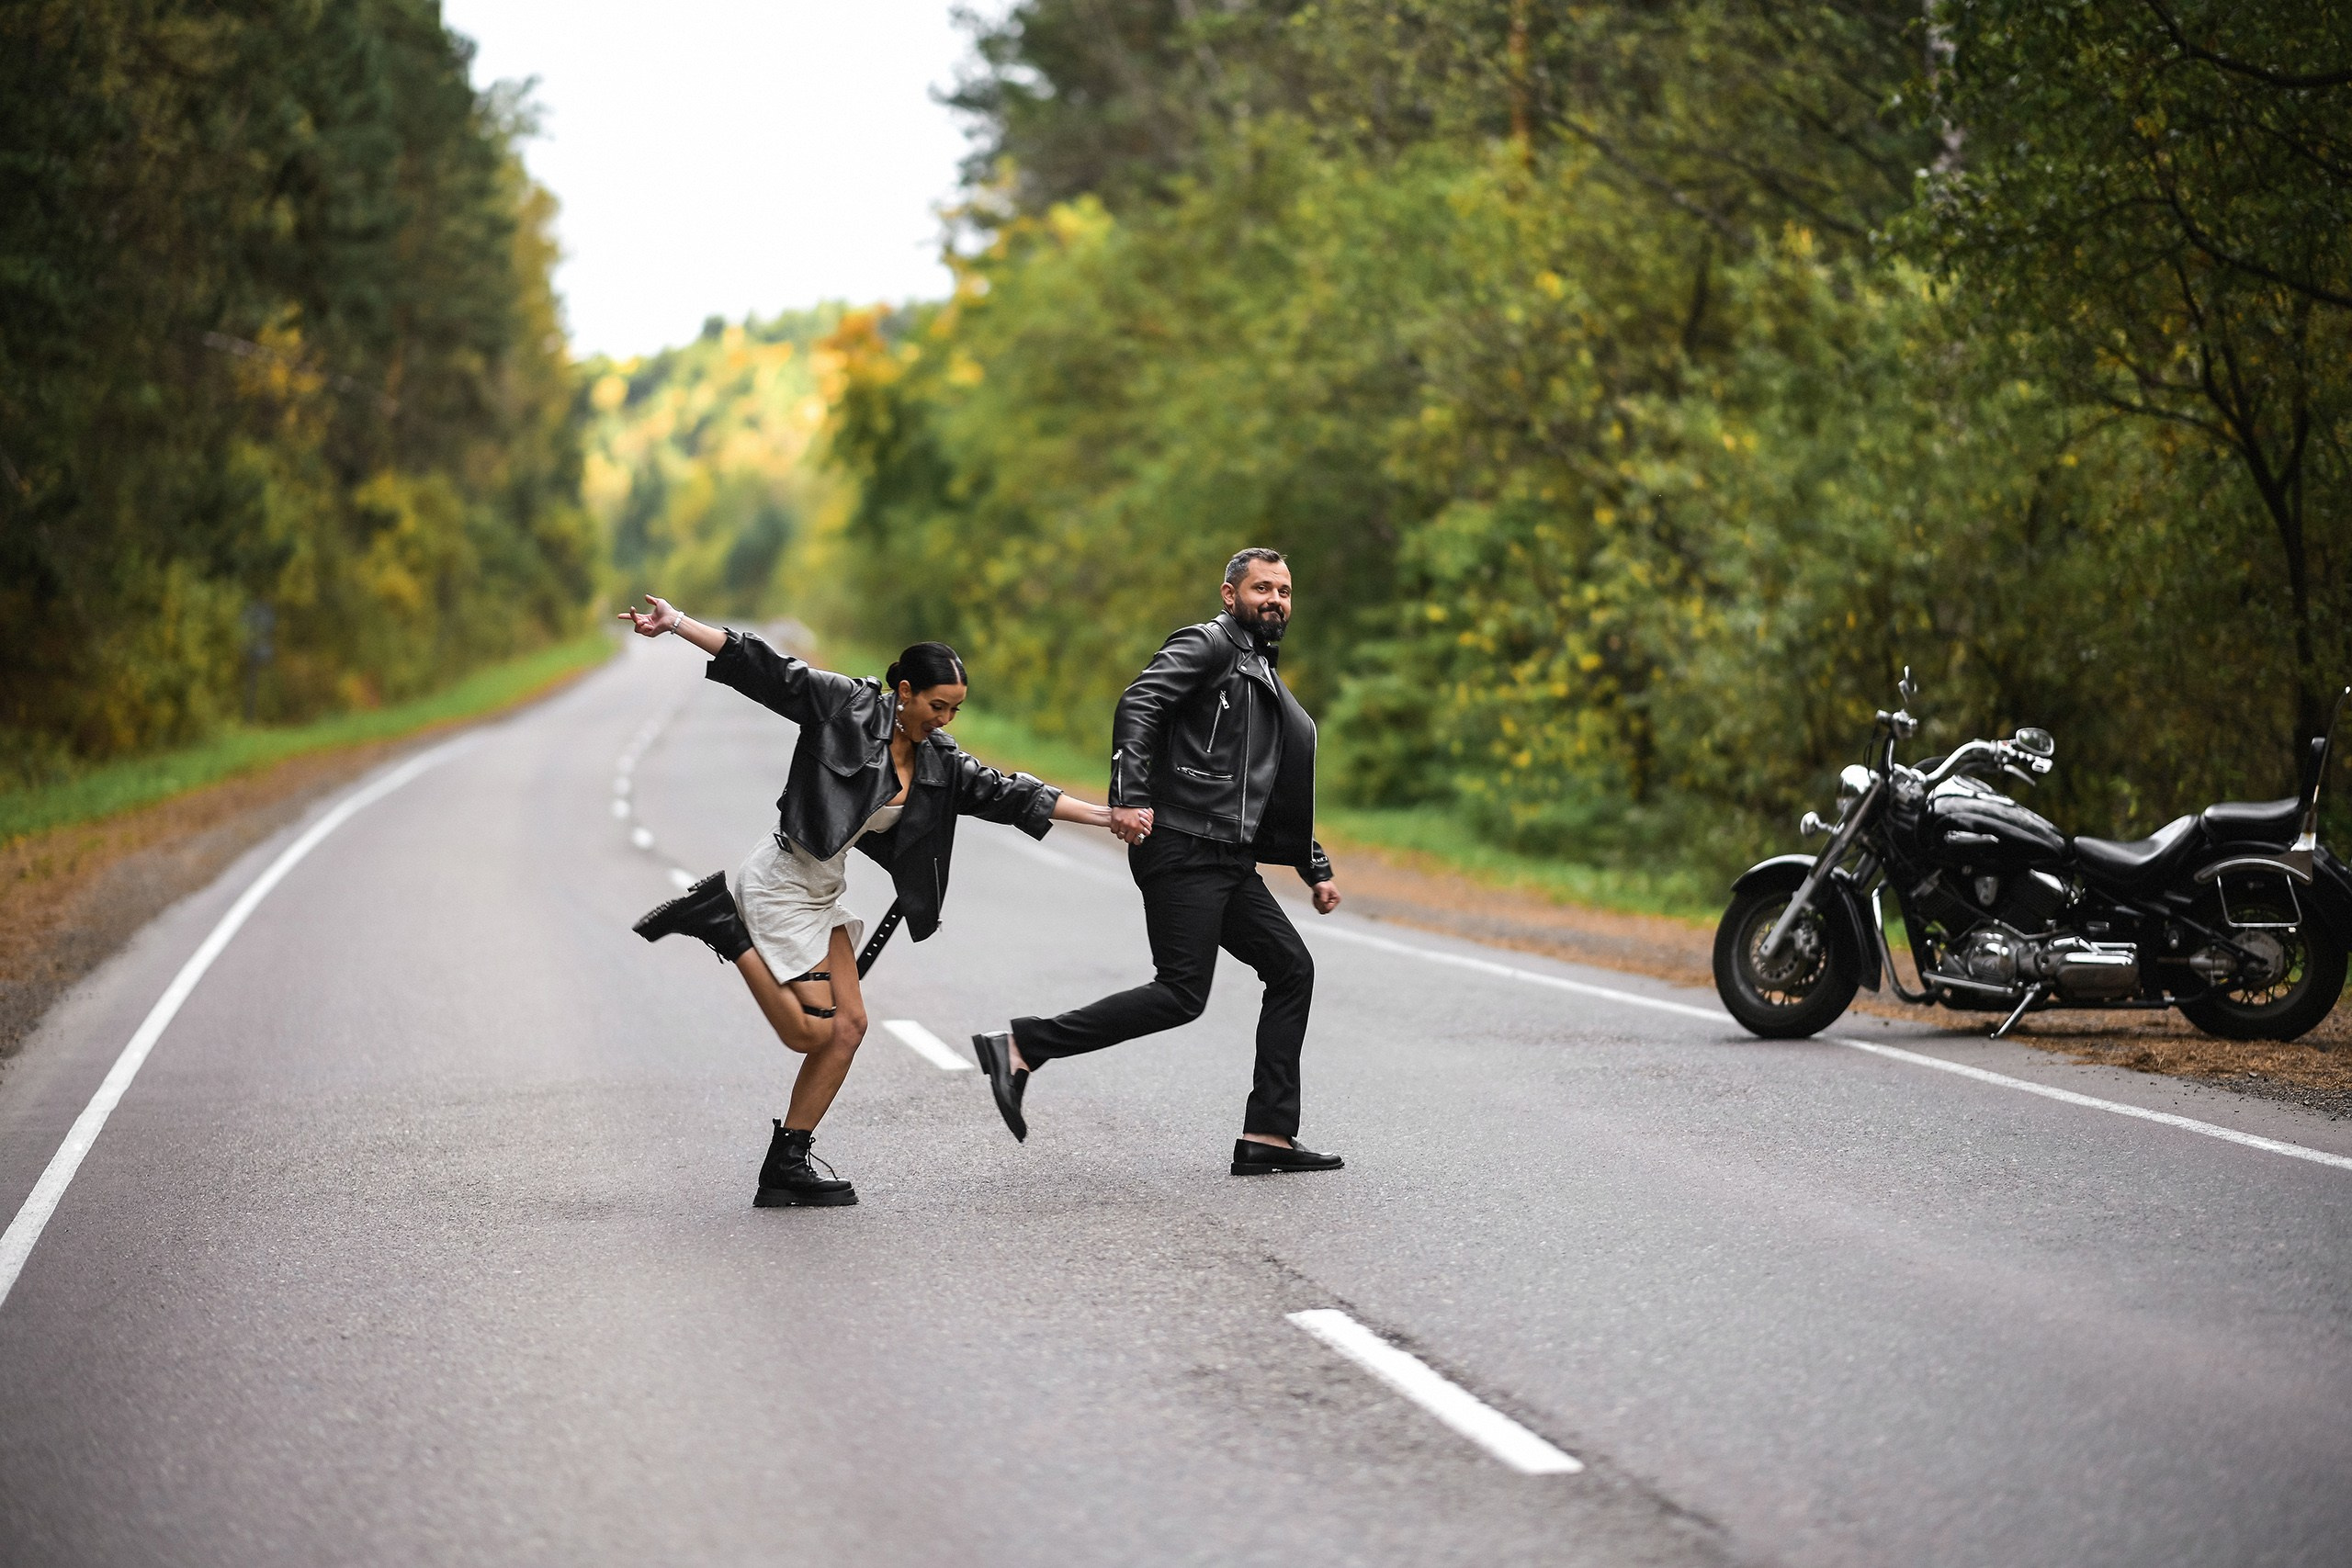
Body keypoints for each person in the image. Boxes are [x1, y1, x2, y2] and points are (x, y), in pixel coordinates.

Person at [619, 594, 1138, 1208]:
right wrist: (677, 624)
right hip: (782, 877)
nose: (945, 719)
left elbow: (1015, 794)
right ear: (907, 691)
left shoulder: (939, 761)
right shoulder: (846, 705)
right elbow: (761, 665)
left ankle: (786, 1161)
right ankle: (721, 924)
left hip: (823, 886)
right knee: (810, 1031)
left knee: (850, 1028)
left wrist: (1108, 816)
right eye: (938, 705)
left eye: (956, 710)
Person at [971, 548, 1346, 1175]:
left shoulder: (1261, 673)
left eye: (1284, 590)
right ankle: (1021, 1044)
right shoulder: (1207, 645)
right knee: (1180, 992)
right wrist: (1131, 795)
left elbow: (1268, 786)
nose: (1275, 600)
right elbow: (1139, 703)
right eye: (1261, 588)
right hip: (1182, 845)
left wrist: (1314, 863)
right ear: (1230, 595)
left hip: (1228, 857)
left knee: (1291, 968)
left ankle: (1269, 1137)